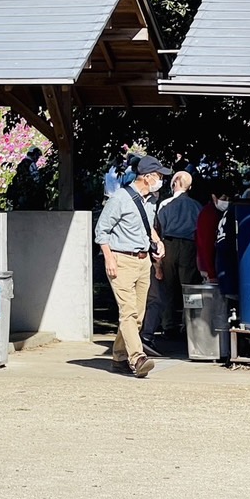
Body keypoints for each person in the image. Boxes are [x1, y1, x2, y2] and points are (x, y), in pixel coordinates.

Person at [94, 155, 171, 378]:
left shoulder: (150, 201)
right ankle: (137, 358)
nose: (161, 181)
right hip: (121, 260)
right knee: (127, 312)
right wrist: (109, 258)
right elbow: (101, 231)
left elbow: (147, 228)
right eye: (158, 176)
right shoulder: (119, 198)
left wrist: (157, 242)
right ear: (146, 177)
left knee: (137, 315)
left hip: (143, 259)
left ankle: (118, 357)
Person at [141, 170, 202, 349]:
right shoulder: (196, 206)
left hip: (168, 244)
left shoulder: (165, 204)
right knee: (189, 287)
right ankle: (189, 325)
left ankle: (168, 325)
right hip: (189, 246)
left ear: (174, 183)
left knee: (167, 286)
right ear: (190, 187)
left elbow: (158, 227)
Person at [195, 179, 231, 282]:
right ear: (214, 197)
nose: (227, 201)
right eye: (224, 198)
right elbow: (206, 244)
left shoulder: (224, 212)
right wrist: (211, 274)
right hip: (210, 270)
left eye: (229, 198)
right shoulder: (208, 214)